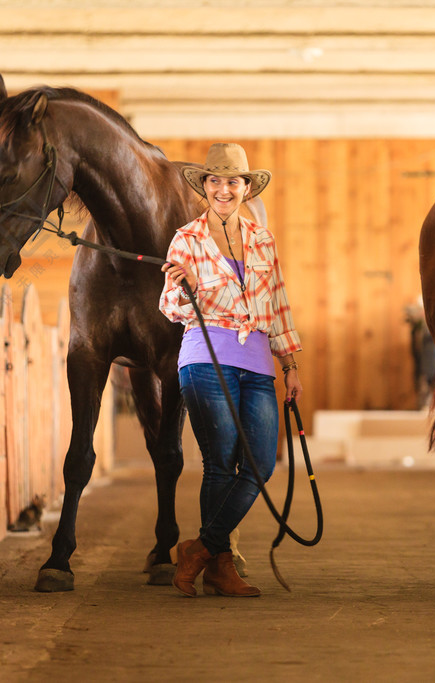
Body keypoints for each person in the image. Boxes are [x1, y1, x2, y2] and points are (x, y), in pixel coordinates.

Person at [159, 143, 302, 598]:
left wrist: (290, 362)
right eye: (215, 181)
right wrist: (182, 290)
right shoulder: (187, 239)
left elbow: (277, 303)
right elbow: (169, 307)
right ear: (205, 186)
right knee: (220, 464)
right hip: (205, 359)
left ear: (245, 187)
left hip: (258, 362)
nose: (224, 189)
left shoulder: (263, 239)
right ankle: (220, 567)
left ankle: (200, 548)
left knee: (261, 463)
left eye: (233, 181)